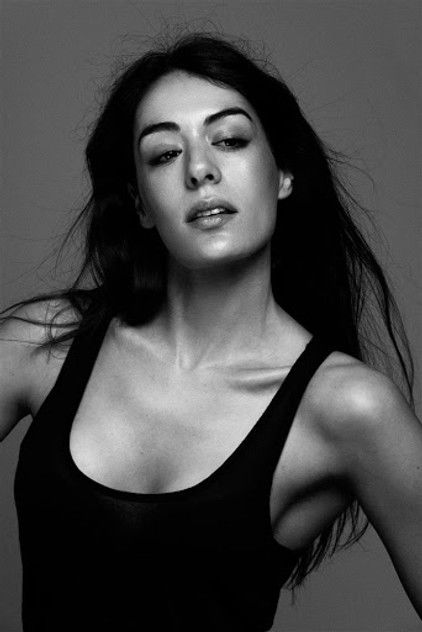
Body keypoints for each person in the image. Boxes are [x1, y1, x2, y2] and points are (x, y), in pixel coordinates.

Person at [0, 31, 421, 631]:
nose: (200, 170)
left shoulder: (348, 408)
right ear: (141, 205)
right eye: (164, 155)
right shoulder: (41, 345)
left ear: (283, 173)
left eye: (229, 140)